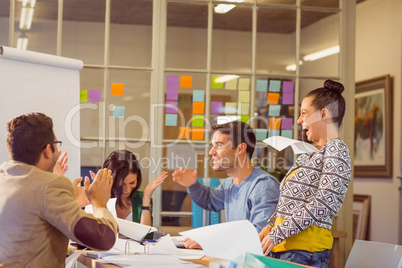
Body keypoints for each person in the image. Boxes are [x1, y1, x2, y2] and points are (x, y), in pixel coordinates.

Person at [0, 113, 118, 267]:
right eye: (56, 144)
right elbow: (104, 238)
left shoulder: (4, 177)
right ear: (48, 150)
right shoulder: (49, 186)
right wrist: (99, 203)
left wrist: (71, 200)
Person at [259, 80, 351, 268]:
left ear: (323, 114)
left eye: (304, 113)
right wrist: (268, 228)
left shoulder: (337, 149)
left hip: (304, 253)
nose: (300, 120)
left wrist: (278, 233)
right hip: (282, 249)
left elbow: (324, 203)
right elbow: (288, 203)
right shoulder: (310, 153)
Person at [172, 121, 280, 249]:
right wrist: (192, 185)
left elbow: (259, 237)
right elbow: (210, 200)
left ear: (240, 149)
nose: (211, 152)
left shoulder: (263, 186)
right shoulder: (229, 183)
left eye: (219, 145)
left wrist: (210, 243)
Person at [99, 150, 168, 226]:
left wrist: (146, 199)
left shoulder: (141, 199)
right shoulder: (99, 199)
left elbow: (147, 236)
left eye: (132, 183)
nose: (127, 190)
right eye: (122, 185)